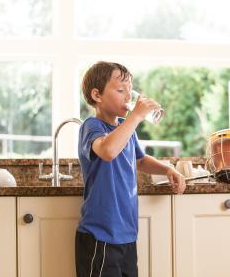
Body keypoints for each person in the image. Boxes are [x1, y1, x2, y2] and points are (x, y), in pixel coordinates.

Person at [75, 61, 186, 277]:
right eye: (120, 90)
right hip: (100, 235)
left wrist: (167, 169)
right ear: (97, 95)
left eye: (130, 90)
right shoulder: (92, 126)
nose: (128, 97)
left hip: (126, 235)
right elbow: (107, 150)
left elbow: (141, 160)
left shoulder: (127, 130)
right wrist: (135, 116)